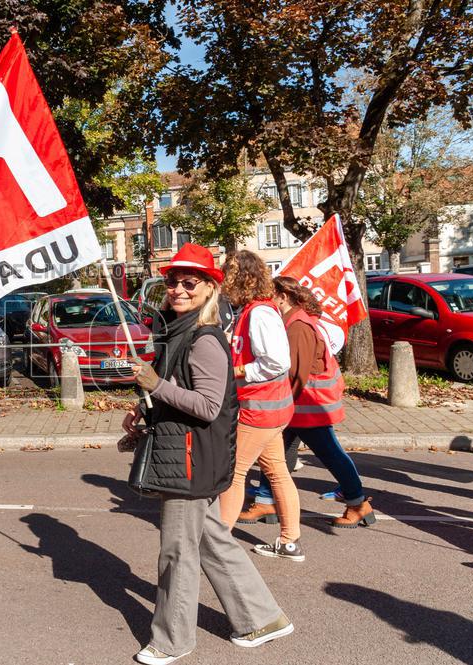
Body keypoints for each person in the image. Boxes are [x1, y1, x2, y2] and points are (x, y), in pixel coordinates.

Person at [126, 243, 292, 665]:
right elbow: (171, 390)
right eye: (172, 281)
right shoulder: (177, 331)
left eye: (189, 282)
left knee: (177, 551)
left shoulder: (204, 340)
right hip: (182, 453)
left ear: (209, 289)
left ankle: (172, 640)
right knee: (211, 538)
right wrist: (140, 409)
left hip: (190, 460)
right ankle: (262, 618)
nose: (178, 289)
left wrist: (154, 385)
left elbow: (207, 406)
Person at [240, 277, 375, 528]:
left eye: (271, 295)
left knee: (329, 454)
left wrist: (281, 402)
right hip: (303, 406)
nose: (268, 300)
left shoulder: (297, 325)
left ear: (283, 296)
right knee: (276, 454)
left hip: (306, 407)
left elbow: (296, 373)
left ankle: (358, 502)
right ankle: (266, 501)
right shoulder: (295, 320)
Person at [218, 251, 304, 561]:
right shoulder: (253, 311)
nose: (222, 281)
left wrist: (240, 370)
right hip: (272, 409)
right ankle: (289, 541)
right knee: (277, 471)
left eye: (227, 275)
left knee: (232, 472)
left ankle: (217, 543)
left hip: (261, 409)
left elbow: (277, 362)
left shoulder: (259, 313)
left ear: (241, 278)